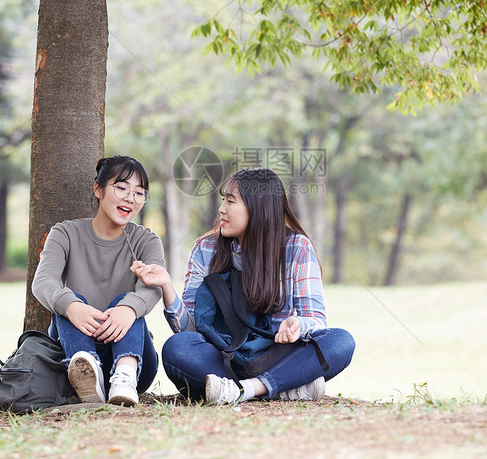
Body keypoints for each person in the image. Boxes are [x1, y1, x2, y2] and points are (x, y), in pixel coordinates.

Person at [132, 168, 355, 404]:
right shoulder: (205, 249)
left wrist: (298, 324)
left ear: (257, 208)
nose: (221, 209)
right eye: (222, 200)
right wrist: (167, 287)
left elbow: (316, 319)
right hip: (224, 357)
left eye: (230, 201)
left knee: (340, 341)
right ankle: (281, 387)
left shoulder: (296, 247)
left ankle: (243, 390)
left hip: (278, 355)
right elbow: (191, 330)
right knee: (178, 348)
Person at [32, 155, 164, 407]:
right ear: (98, 189)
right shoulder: (65, 233)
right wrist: (72, 307)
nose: (130, 198)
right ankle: (87, 376)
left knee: (127, 303)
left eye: (139, 192)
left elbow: (153, 286)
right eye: (122, 188)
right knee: (67, 300)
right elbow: (43, 281)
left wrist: (127, 309)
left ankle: (123, 377)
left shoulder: (147, 241)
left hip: (134, 360)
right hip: (72, 355)